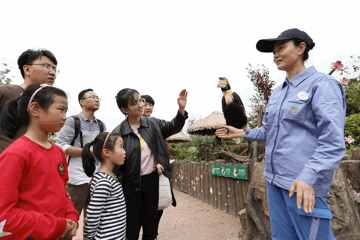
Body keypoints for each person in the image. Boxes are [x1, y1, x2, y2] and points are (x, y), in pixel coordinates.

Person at [216, 28, 346, 239]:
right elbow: (269, 131)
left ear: (301, 48)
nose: (275, 54)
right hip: (274, 183)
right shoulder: (278, 93)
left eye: (281, 48)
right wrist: (242, 131)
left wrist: (308, 177)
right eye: (273, 51)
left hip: (303, 186)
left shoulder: (323, 85)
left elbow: (333, 142)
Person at [0, 84, 79, 239]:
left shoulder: (58, 152)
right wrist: (57, 225)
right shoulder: (16, 154)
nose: (64, 117)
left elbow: (63, 193)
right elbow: (4, 217)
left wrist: (72, 217)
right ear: (35, 109)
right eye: (60, 109)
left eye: (66, 111)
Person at [113, 88, 188, 240]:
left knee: (151, 226)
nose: (140, 105)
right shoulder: (118, 132)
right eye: (134, 103)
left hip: (151, 181)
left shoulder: (153, 124)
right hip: (130, 185)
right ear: (124, 109)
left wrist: (181, 110)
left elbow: (173, 126)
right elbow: (115, 165)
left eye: (141, 100)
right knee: (131, 227)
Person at [57, 89, 105, 215]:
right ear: (82, 102)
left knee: (94, 219)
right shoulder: (73, 121)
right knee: (71, 217)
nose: (96, 99)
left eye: (97, 97)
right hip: (77, 179)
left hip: (97, 178)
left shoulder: (100, 125)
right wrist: (87, 152)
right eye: (92, 97)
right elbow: (60, 145)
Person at [0, 48, 58, 152]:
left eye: (54, 68)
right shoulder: (6, 92)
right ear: (27, 69)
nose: (52, 72)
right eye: (46, 66)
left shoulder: (47, 104)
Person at [82, 132, 127, 240]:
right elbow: (92, 217)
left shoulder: (110, 177)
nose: (125, 152)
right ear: (107, 152)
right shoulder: (104, 182)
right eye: (121, 147)